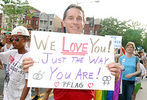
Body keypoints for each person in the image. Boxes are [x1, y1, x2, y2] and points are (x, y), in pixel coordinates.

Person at [22, 4, 121, 100]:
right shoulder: (52, 47)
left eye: (79, 18)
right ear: (63, 22)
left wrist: (115, 76)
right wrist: (32, 67)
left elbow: (106, 82)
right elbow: (45, 76)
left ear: (83, 22)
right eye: (70, 18)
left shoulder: (96, 49)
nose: (75, 22)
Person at [0, 26, 31, 100]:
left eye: (16, 39)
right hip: (8, 96)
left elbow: (28, 84)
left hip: (19, 97)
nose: (13, 42)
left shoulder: (29, 58)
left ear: (25, 40)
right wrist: (2, 44)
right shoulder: (12, 53)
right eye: (12, 39)